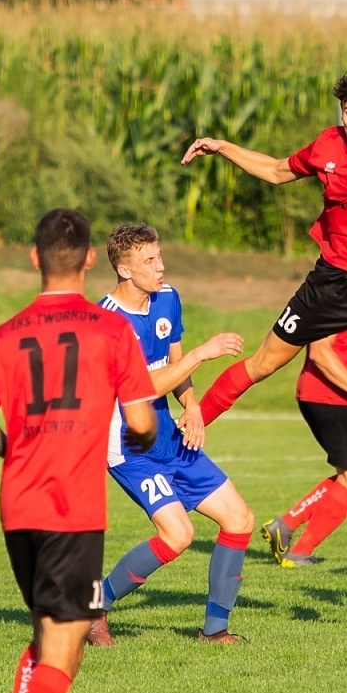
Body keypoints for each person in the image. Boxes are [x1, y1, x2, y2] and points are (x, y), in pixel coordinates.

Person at [181, 68, 347, 537]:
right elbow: (277, 170)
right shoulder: (326, 147)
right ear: (341, 114)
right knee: (262, 364)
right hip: (328, 285)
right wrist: (223, 147)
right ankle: (185, 432)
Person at [0, 209, 160, 693]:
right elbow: (143, 422)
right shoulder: (111, 331)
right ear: (92, 259)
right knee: (65, 644)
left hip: (17, 504)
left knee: (49, 633)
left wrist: (17, 447)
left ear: (33, 258)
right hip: (72, 508)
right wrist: (145, 439)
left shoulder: (5, 333)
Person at [90, 223, 255, 645]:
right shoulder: (105, 321)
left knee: (239, 518)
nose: (160, 267)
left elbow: (173, 364)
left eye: (159, 257)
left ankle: (214, 631)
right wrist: (205, 352)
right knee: (179, 534)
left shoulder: (168, 299)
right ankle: (94, 607)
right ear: (124, 271)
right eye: (148, 261)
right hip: (130, 447)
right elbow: (141, 389)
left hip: (170, 438)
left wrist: (193, 406)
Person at [261, 329, 347, 566]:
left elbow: (346, 344)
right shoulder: (334, 298)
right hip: (329, 398)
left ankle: (285, 525)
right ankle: (300, 550)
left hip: (341, 399)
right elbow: (319, 353)